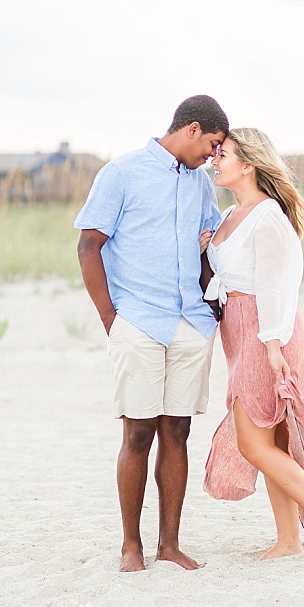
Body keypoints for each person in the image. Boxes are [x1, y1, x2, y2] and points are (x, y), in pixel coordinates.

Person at [74, 95, 228, 573]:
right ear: (192, 129)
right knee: (138, 433)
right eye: (213, 145)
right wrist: (110, 319)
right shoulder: (122, 173)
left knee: (177, 432)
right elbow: (88, 245)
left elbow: (210, 250)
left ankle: (170, 545)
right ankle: (130, 547)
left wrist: (213, 305)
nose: (214, 156)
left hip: (190, 321)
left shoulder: (203, 186)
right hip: (138, 320)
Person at [201, 127, 304, 560]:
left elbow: (277, 286)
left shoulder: (268, 218)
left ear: (247, 164)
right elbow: (225, 276)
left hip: (266, 332)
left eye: (222, 154)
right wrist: (207, 248)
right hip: (239, 334)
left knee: (253, 443)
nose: (215, 160)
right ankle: (288, 541)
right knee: (273, 441)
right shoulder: (230, 216)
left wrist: (272, 346)